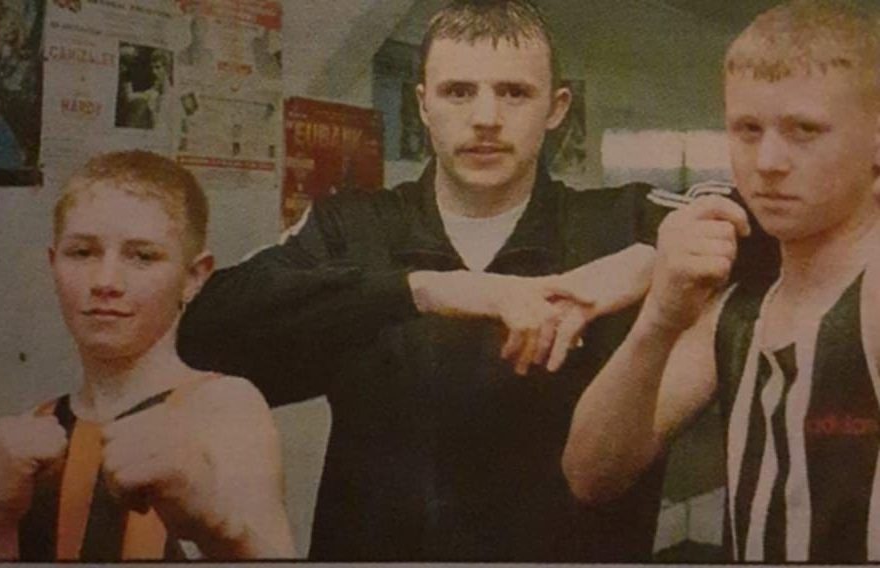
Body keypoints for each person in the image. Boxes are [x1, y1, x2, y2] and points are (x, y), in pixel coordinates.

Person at [178, 0, 774, 560]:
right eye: (458, 92)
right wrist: (431, 288)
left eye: (514, 93)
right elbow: (207, 330)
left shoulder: (617, 222)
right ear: (422, 104)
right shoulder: (352, 227)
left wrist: (644, 258)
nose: (485, 118)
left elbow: (792, 221)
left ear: (556, 109)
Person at [561, 0, 880, 562]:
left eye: (805, 130)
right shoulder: (741, 311)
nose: (769, 161)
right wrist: (661, 316)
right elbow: (591, 474)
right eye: (748, 130)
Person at [0, 151, 295, 560]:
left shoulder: (222, 406)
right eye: (82, 252)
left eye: (143, 257)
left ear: (193, 277)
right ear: (53, 263)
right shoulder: (37, 427)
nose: (105, 281)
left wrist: (217, 521)